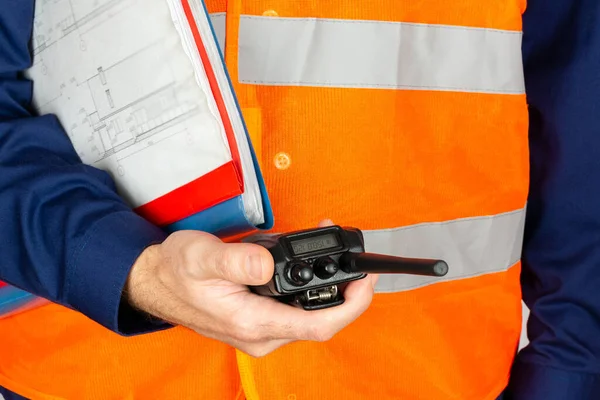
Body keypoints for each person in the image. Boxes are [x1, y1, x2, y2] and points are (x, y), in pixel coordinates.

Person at [1, 0, 599, 399]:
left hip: (428, 377)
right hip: (88, 377)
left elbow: (581, 113)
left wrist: (568, 373)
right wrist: (129, 271)